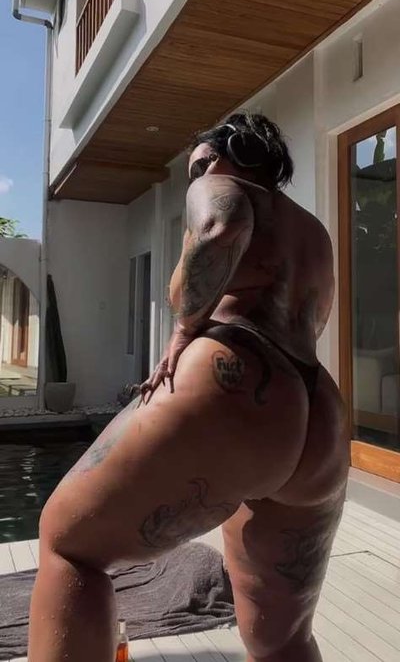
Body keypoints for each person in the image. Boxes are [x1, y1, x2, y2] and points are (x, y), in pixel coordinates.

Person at [28, 113, 349, 662]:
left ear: (232, 153)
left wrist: (184, 329)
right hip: (320, 414)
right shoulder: (314, 232)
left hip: (235, 380)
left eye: (199, 161)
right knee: (282, 637)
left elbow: (220, 228)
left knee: (68, 545)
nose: (194, 174)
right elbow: (312, 319)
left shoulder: (222, 185)